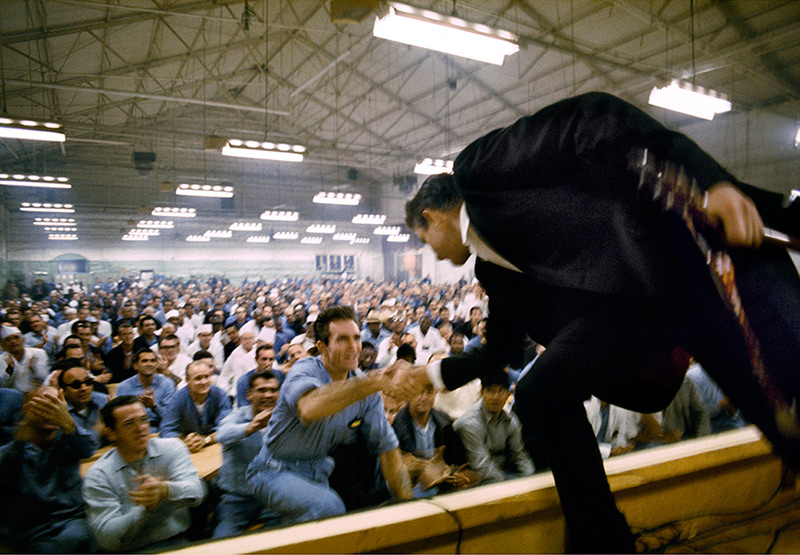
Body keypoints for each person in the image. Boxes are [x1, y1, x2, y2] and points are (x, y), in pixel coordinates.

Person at [400, 91, 800, 552]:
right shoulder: (490, 269)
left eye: (423, 239)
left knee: (786, 413)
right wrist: (426, 374)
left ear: (432, 217)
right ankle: (602, 540)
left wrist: (708, 182)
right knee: (539, 395)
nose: (429, 252)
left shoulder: (480, 169)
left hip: (694, 259)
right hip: (637, 314)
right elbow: (501, 351)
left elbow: (592, 117)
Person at [246, 305, 412, 525]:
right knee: (330, 509)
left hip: (318, 474)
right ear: (322, 347)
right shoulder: (304, 370)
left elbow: (388, 449)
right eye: (342, 339)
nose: (354, 348)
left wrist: (409, 509)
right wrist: (375, 381)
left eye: (356, 338)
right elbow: (309, 408)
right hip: (272, 471)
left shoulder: (366, 388)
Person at [82, 396, 205, 552]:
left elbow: (198, 491)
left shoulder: (172, 448)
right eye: (129, 424)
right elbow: (106, 538)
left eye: (144, 420)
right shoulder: (99, 474)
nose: (141, 428)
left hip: (177, 541)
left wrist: (165, 489)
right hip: (131, 550)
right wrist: (144, 510)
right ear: (111, 434)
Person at [0, 386, 95, 553]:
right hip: (37, 531)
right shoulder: (13, 450)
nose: (50, 412)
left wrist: (67, 423)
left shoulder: (69, 439)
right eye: (44, 405)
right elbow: (6, 471)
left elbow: (86, 450)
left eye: (56, 406)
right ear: (26, 409)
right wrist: (21, 436)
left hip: (75, 519)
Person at [213, 370, 281, 538]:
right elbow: (221, 434)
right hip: (237, 499)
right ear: (249, 394)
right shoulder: (237, 416)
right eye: (262, 390)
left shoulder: (283, 418)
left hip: (272, 497)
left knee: (283, 539)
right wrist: (251, 427)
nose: (268, 395)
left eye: (273, 390)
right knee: (221, 542)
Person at [454, 373, 534, 484]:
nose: (496, 397)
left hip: (502, 475)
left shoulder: (510, 420)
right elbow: (481, 466)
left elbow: (519, 456)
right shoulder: (470, 423)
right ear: (481, 393)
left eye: (501, 391)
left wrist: (531, 479)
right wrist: (508, 487)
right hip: (474, 481)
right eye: (490, 391)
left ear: (508, 394)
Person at [159, 360, 231, 451]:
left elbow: (226, 427)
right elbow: (166, 430)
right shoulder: (178, 398)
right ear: (187, 380)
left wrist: (205, 440)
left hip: (215, 445)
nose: (203, 382)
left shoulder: (220, 395)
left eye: (207, 377)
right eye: (198, 378)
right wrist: (184, 442)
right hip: (188, 448)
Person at [56, 358, 108, 453]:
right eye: (76, 385)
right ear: (63, 391)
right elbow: (82, 448)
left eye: (88, 382)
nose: (84, 388)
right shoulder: (59, 412)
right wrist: (98, 430)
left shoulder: (104, 401)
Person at [116, 349, 176, 431]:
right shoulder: (124, 386)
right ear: (135, 366)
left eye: (152, 361)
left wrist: (154, 407)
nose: (149, 364)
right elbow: (122, 417)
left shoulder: (167, 384)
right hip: (133, 429)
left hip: (161, 428)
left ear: (156, 364)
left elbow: (171, 416)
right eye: (144, 361)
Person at [0, 325, 49, 393]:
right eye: (8, 340)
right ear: (3, 345)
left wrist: (34, 368)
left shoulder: (38, 353)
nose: (13, 341)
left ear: (23, 340)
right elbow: (3, 386)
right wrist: (9, 371)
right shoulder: (1, 359)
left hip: (37, 393)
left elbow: (45, 379)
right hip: (14, 398)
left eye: (16, 337)